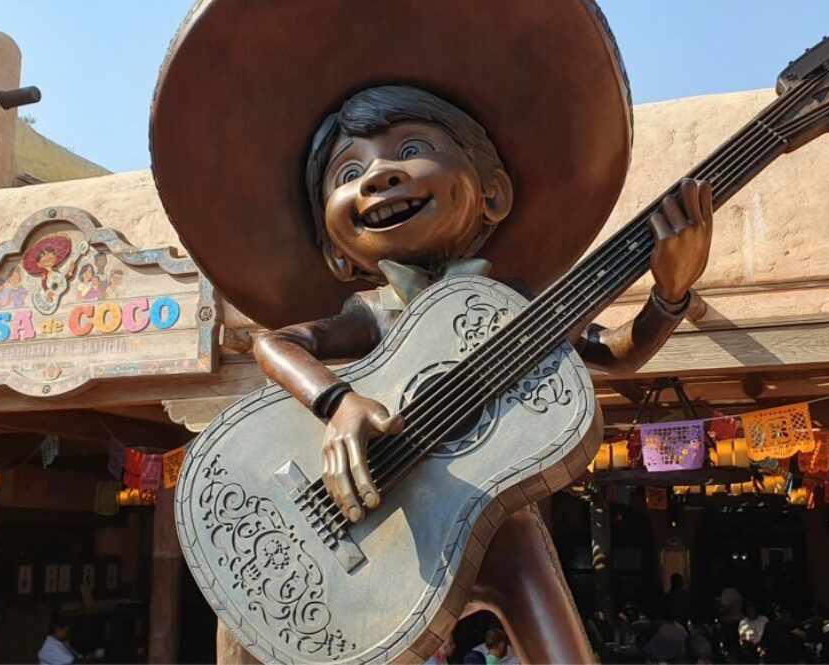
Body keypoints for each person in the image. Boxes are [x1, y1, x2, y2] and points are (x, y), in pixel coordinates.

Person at [152, 5, 713, 661]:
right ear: (338, 255)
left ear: (494, 194)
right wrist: (339, 404)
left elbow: (611, 350)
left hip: (486, 512)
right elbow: (275, 343)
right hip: (362, 511)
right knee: (251, 611)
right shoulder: (371, 315)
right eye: (347, 172)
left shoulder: (514, 309)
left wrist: (670, 292)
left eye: (412, 151)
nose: (380, 175)